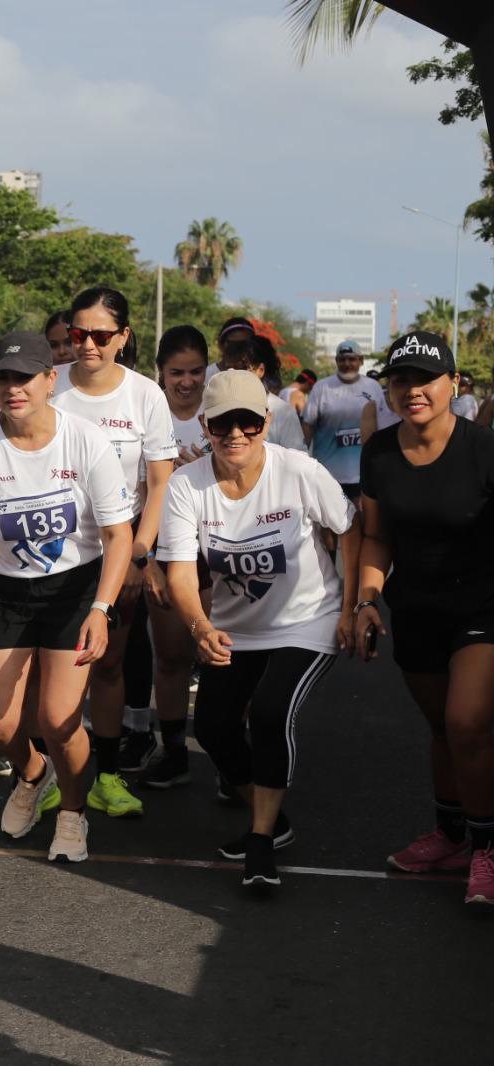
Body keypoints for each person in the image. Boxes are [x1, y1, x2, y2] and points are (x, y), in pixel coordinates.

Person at [0, 331, 133, 862]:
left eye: (24, 377)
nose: (13, 388)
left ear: (51, 379)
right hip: (1, 594)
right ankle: (33, 775)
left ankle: (72, 811)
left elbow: (119, 534)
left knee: (59, 718)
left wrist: (102, 609)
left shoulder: (86, 441)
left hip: (73, 591)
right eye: (3, 377)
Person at [162, 371, 357, 888]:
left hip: (308, 620)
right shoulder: (187, 484)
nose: (236, 434)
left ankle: (262, 840)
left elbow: (349, 528)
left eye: (248, 421)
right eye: (223, 422)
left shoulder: (299, 471)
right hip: (234, 628)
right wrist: (198, 625)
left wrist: (353, 606)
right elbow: (180, 571)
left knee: (271, 711)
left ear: (266, 422)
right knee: (213, 728)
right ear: (205, 425)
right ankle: (271, 813)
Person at [356, 331, 494, 906]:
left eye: (426, 379)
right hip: (414, 608)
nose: (413, 390)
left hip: (483, 606)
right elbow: (375, 536)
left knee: (468, 722)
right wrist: (366, 599)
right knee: (442, 727)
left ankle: (487, 850)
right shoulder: (380, 452)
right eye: (401, 380)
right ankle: (452, 834)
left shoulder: (483, 448)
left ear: (453, 385)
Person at [49, 286, 177, 818]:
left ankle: (104, 776)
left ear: (123, 337)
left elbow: (158, 483)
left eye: (102, 335)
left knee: (106, 666)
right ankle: (52, 776)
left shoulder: (146, 395)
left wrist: (139, 555)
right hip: (51, 554)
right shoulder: (48, 385)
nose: (88, 345)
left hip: (117, 556)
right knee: (50, 673)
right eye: (78, 334)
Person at [134, 325, 214, 789]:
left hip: (217, 551)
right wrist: (149, 562)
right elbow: (143, 490)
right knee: (171, 658)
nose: (186, 382)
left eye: (196, 371)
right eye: (176, 372)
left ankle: (229, 757)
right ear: (160, 373)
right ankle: (174, 751)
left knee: (227, 653)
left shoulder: (219, 412)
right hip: (165, 551)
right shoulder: (150, 412)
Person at [302, 339, 384, 499]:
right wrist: (302, 460)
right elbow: (307, 426)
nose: (347, 363)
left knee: (364, 522)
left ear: (361, 361)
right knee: (330, 524)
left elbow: (382, 425)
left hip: (364, 475)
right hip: (328, 475)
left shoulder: (373, 387)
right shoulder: (322, 388)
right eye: (342, 359)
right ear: (336, 361)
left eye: (352, 359)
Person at [216, 336, 305, 452]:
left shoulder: (282, 412)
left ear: (261, 370)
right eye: (229, 368)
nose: (234, 374)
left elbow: (298, 458)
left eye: (242, 368)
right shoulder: (218, 408)